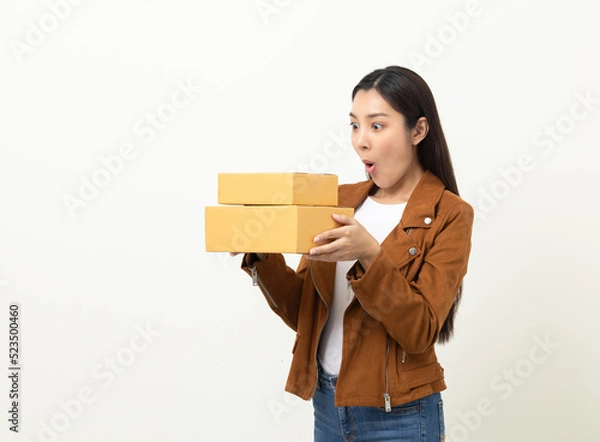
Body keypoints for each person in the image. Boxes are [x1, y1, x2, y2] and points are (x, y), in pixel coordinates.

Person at [234, 65, 474, 442]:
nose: (360, 141)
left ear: (418, 130)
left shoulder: (450, 214)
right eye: (354, 125)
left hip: (402, 416)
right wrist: (262, 255)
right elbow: (304, 313)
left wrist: (371, 256)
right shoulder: (338, 201)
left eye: (377, 126)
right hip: (328, 406)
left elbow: (420, 331)